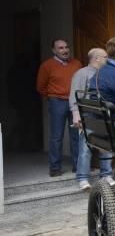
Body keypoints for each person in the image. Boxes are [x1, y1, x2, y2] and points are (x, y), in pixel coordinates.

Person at [36, 38, 82, 176]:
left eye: (66, 47)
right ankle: (55, 168)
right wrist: (53, 96)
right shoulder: (47, 65)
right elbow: (40, 87)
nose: (65, 50)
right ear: (54, 50)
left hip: (75, 101)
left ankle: (78, 165)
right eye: (61, 48)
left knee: (76, 135)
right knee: (57, 136)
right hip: (57, 102)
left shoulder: (77, 63)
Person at [70, 47, 113, 191]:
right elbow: (75, 95)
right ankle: (82, 179)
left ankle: (106, 175)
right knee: (85, 147)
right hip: (88, 114)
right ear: (96, 58)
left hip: (103, 114)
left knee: (106, 146)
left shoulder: (105, 74)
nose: (108, 59)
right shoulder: (81, 73)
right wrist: (76, 114)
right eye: (105, 56)